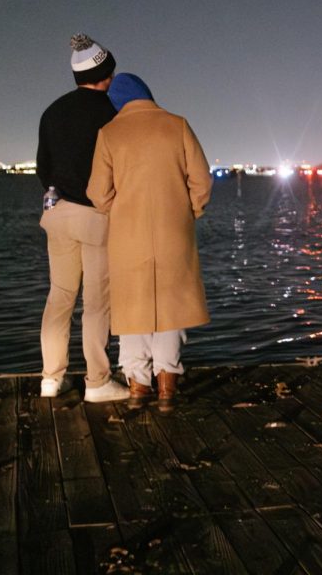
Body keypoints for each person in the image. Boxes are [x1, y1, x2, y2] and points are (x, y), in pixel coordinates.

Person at [87, 73, 213, 412]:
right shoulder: (178, 125)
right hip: (175, 231)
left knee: (133, 309)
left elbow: (97, 193)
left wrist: (123, 209)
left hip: (128, 235)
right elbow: (202, 181)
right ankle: (167, 389)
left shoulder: (110, 133)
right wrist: (189, 212)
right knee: (171, 308)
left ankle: (138, 387)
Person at [36, 34, 130, 402]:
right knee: (96, 303)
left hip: (57, 214)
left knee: (59, 296)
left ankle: (50, 378)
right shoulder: (112, 113)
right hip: (95, 216)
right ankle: (97, 381)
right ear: (106, 73)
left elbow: (44, 166)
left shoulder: (52, 111)